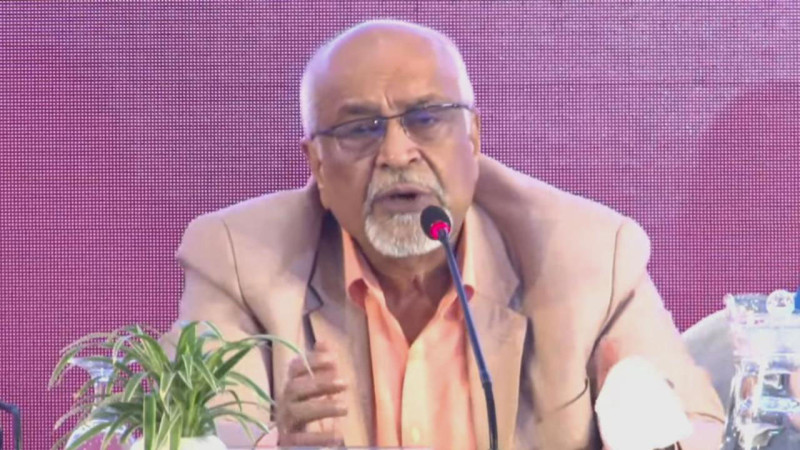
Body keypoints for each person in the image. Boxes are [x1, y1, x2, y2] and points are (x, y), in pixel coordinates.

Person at [169, 20, 724, 448]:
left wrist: (651, 430)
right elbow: (194, 434)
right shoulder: (239, 260)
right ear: (316, 163)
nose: (396, 154)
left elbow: (697, 427)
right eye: (360, 129)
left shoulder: (588, 255)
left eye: (426, 118)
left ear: (473, 138)